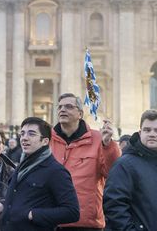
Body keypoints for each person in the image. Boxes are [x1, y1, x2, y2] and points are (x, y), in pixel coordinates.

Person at [103, 109, 157, 231]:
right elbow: (114, 206)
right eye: (147, 130)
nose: (152, 134)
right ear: (140, 133)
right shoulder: (124, 165)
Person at [50, 93, 120, 230]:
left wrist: (108, 146)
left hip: (86, 222)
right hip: (52, 219)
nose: (62, 110)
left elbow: (112, 173)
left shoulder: (98, 138)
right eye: (60, 107)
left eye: (69, 107)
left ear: (80, 114)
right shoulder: (47, 140)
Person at [1, 117, 79, 230]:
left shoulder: (56, 171)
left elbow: (72, 212)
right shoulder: (23, 165)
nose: (24, 138)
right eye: (22, 134)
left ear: (45, 141)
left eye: (31, 134)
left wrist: (33, 214)